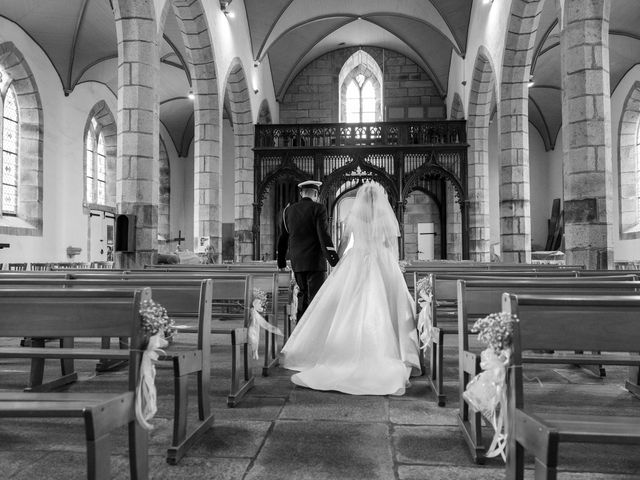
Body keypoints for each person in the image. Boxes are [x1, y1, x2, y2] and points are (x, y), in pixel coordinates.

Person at [281, 182, 421, 396]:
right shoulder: (385, 218)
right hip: (381, 263)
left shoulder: (350, 217)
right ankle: (395, 351)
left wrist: (337, 263)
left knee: (343, 304)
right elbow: (391, 246)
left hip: (350, 260)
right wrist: (393, 264)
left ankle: (322, 343)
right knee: (385, 303)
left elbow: (344, 242)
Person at [277, 180, 340, 319]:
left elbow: (283, 238)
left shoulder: (288, 211)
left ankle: (300, 330)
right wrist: (334, 260)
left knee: (302, 296)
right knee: (316, 299)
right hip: (315, 262)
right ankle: (311, 333)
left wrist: (281, 262)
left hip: (297, 262)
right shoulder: (319, 208)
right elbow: (323, 236)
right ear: (316, 194)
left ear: (301, 193)